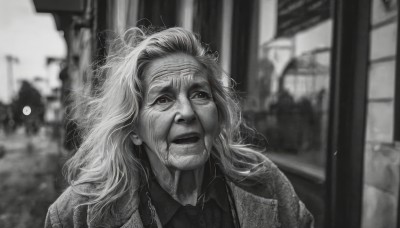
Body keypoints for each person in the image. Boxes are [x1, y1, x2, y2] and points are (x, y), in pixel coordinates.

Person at [45, 27, 313, 228]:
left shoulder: (261, 179)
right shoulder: (81, 211)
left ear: (217, 112)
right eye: (163, 99)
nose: (186, 112)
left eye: (199, 94)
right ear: (135, 129)